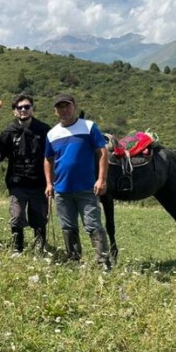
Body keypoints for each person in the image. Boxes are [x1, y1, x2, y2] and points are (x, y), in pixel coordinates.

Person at [43, 93, 112, 269]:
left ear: (74, 106)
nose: (64, 110)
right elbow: (48, 160)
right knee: (68, 226)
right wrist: (49, 184)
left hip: (87, 188)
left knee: (92, 224)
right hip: (62, 190)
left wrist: (101, 179)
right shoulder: (52, 134)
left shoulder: (88, 127)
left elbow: (102, 153)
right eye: (60, 107)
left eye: (67, 106)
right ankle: (74, 260)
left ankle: (103, 262)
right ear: (55, 112)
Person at [0, 94, 50, 254]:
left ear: (32, 109)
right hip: (17, 183)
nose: (23, 110)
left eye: (27, 107)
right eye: (19, 107)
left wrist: (51, 182)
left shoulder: (44, 130)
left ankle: (40, 250)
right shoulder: (8, 132)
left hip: (39, 183)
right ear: (14, 111)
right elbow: (0, 153)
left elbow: (51, 156)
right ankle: (17, 250)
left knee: (39, 219)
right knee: (16, 217)